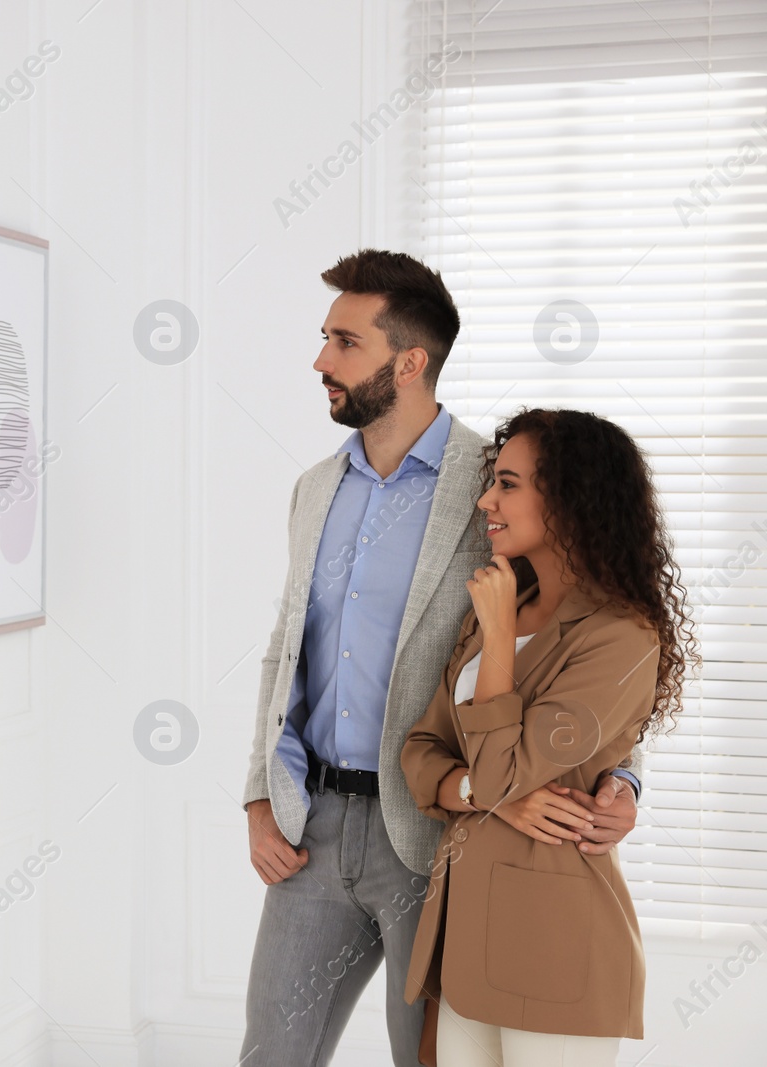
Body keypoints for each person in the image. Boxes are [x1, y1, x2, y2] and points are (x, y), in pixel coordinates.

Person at [240, 250, 644, 1067]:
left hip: (436, 832)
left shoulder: (493, 489)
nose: (321, 359)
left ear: (410, 360)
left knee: (428, 1056)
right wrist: (258, 792)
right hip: (312, 824)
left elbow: (573, 637)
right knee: (272, 1055)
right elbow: (287, 648)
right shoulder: (315, 488)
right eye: (326, 337)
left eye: (344, 342)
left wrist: (623, 777)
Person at [400, 408, 695, 1065]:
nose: (487, 500)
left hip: (556, 943)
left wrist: (502, 637)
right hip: (466, 938)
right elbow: (421, 751)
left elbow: (508, 772)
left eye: (507, 483)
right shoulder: (497, 610)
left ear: (567, 498)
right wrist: (477, 788)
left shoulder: (621, 636)